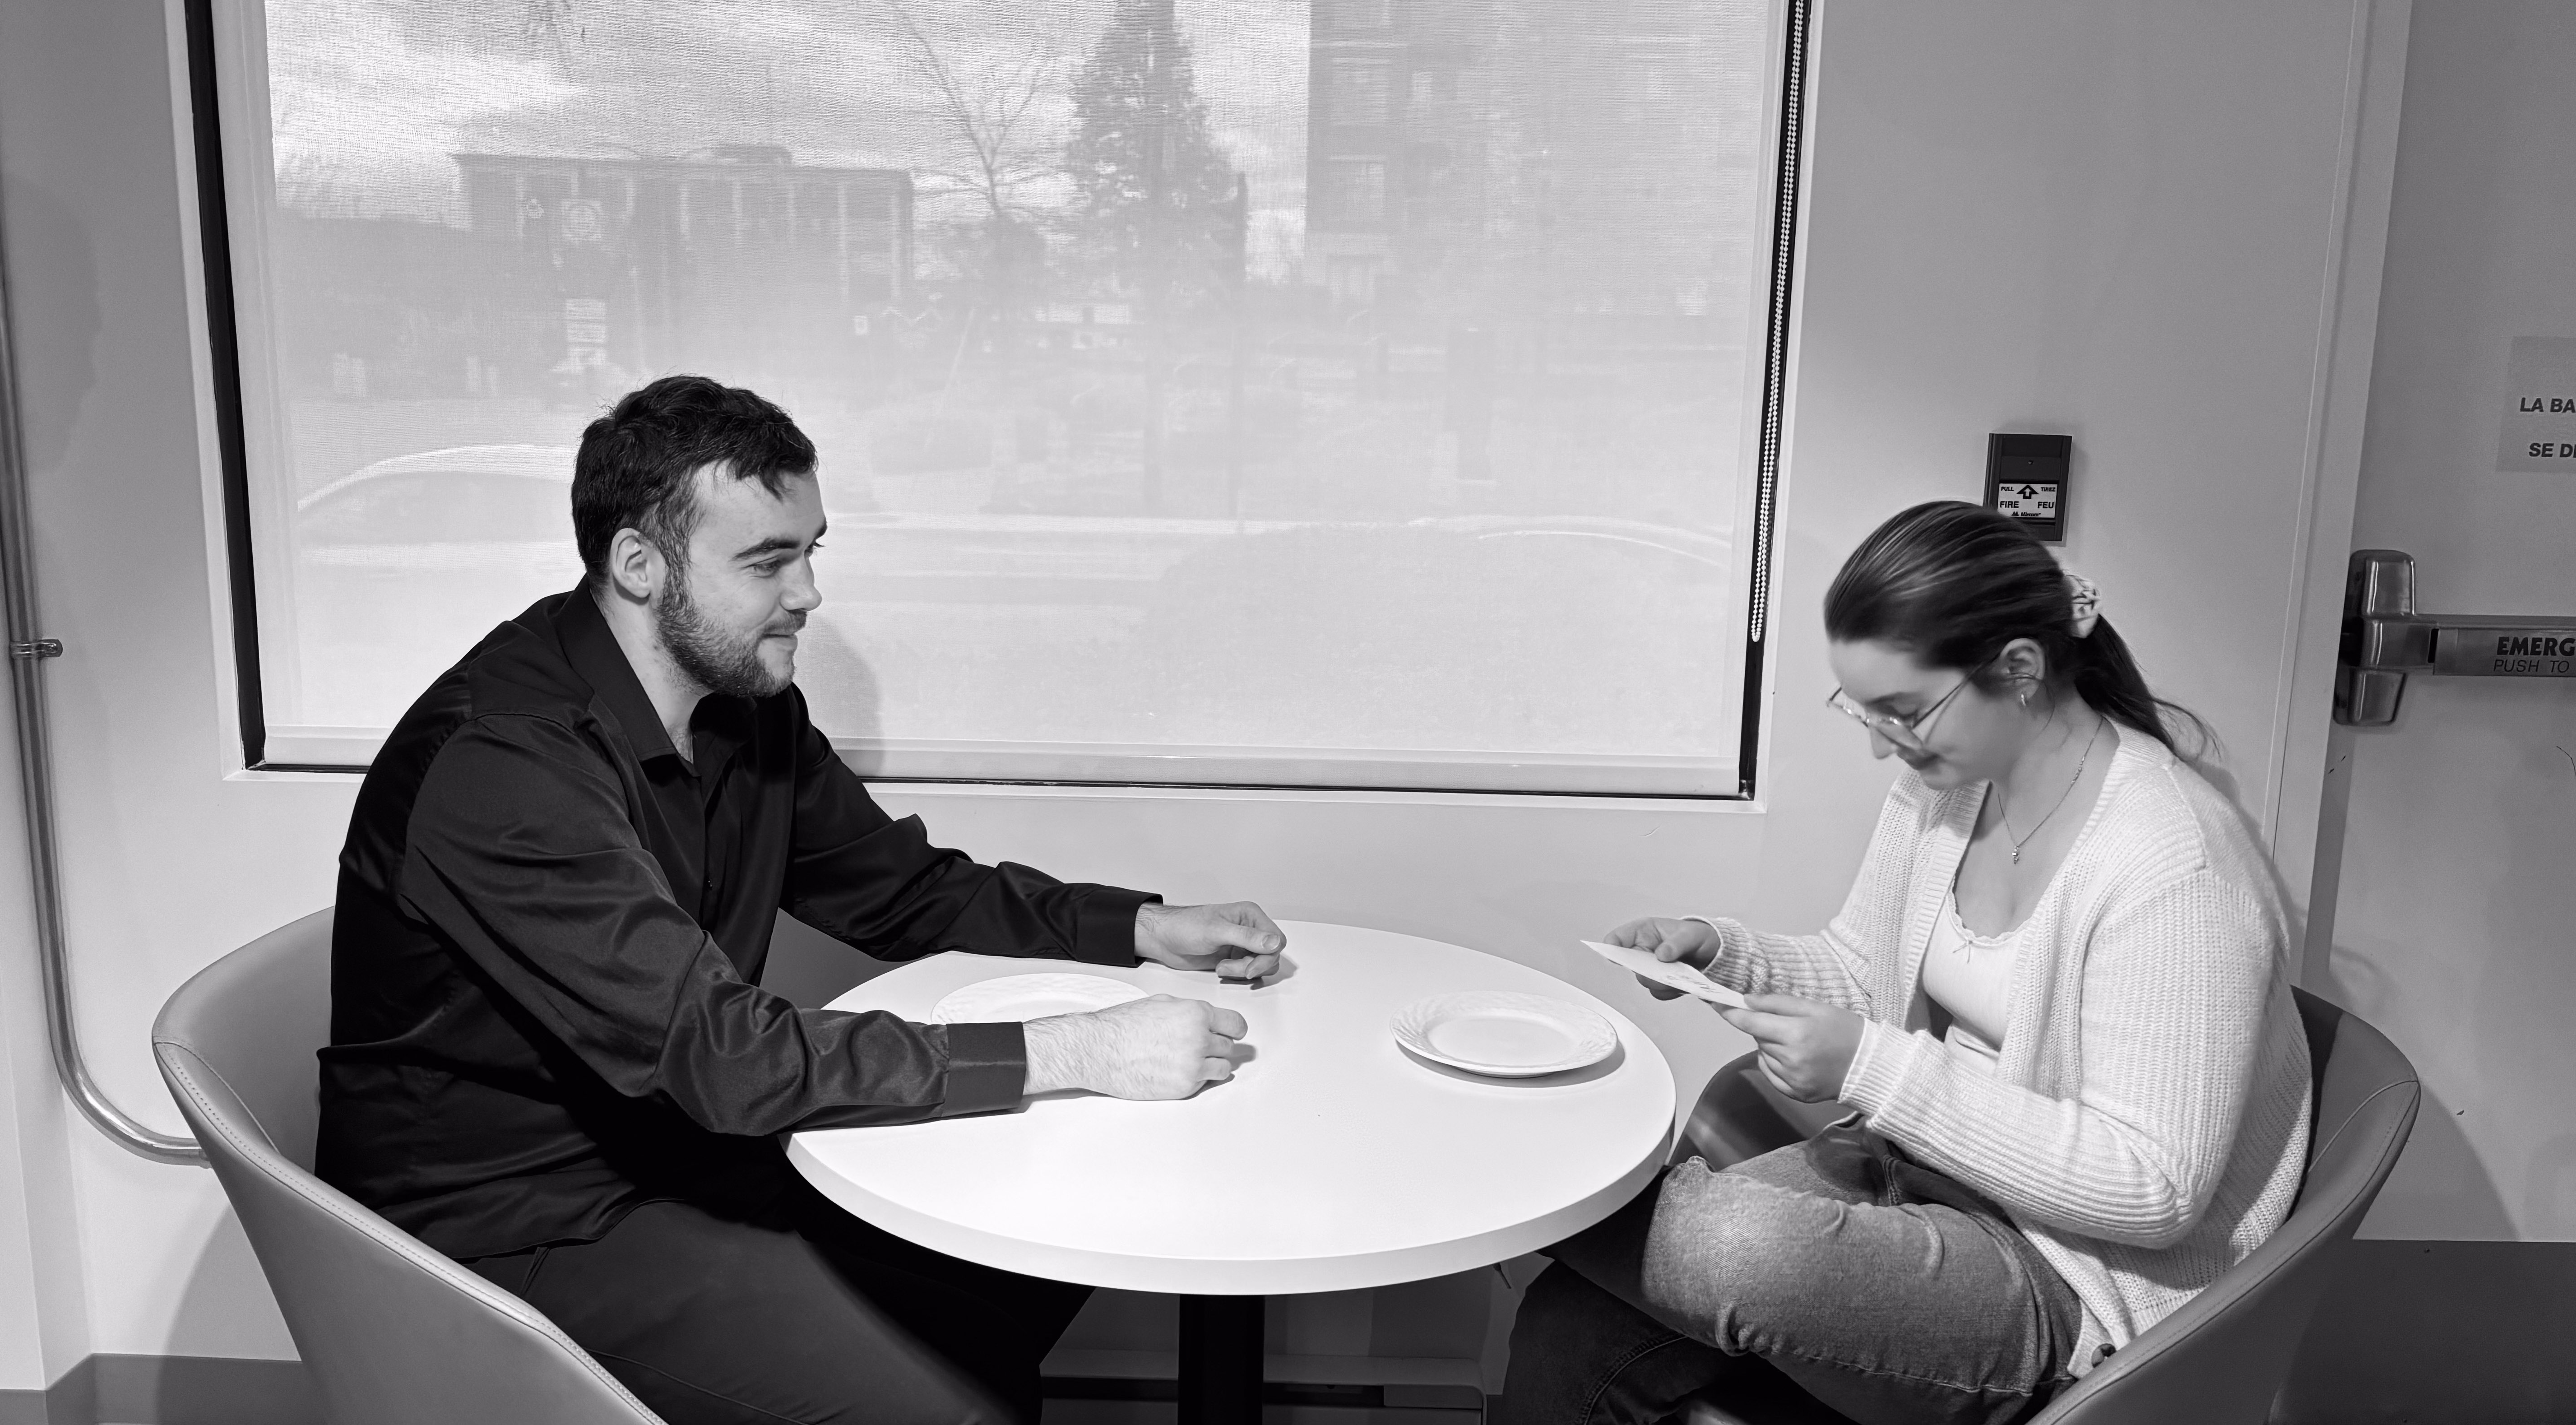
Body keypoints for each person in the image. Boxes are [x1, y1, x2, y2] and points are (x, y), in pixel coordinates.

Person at [317, 374, 1287, 1425]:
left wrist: (1140, 926)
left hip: (681, 1152)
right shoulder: (504, 764)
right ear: (639, 564)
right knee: (959, 1404)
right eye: (768, 560)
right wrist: (1080, 1049)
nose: (810, 593)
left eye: (812, 550)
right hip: (514, 1224)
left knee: (1034, 1263)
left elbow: (902, 888)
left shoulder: (741, 702)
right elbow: (724, 1052)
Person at [1504, 501, 2312, 1425]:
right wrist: (1722, 953)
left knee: (1725, 1244)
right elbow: (1863, 972)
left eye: (1902, 710)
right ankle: (1505, 1188)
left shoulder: (2174, 864)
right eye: (1863, 708)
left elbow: (2152, 1187)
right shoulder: (1949, 793)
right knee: (1573, 1322)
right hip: (1916, 1172)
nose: (1880, 741)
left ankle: (1486, 1185)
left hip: (2072, 1276)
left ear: (2020, 669)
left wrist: (1870, 1067)